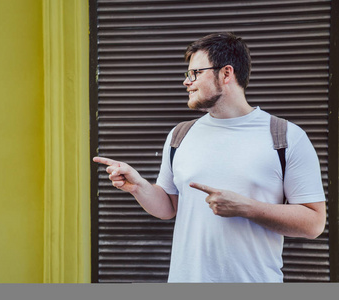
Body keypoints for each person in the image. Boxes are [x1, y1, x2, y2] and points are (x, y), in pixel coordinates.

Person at [93, 32, 326, 283]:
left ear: (226, 73)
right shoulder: (180, 134)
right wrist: (138, 186)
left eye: (195, 73)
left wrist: (247, 208)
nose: (186, 82)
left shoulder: (286, 136)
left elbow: (314, 223)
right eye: (187, 74)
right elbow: (169, 208)